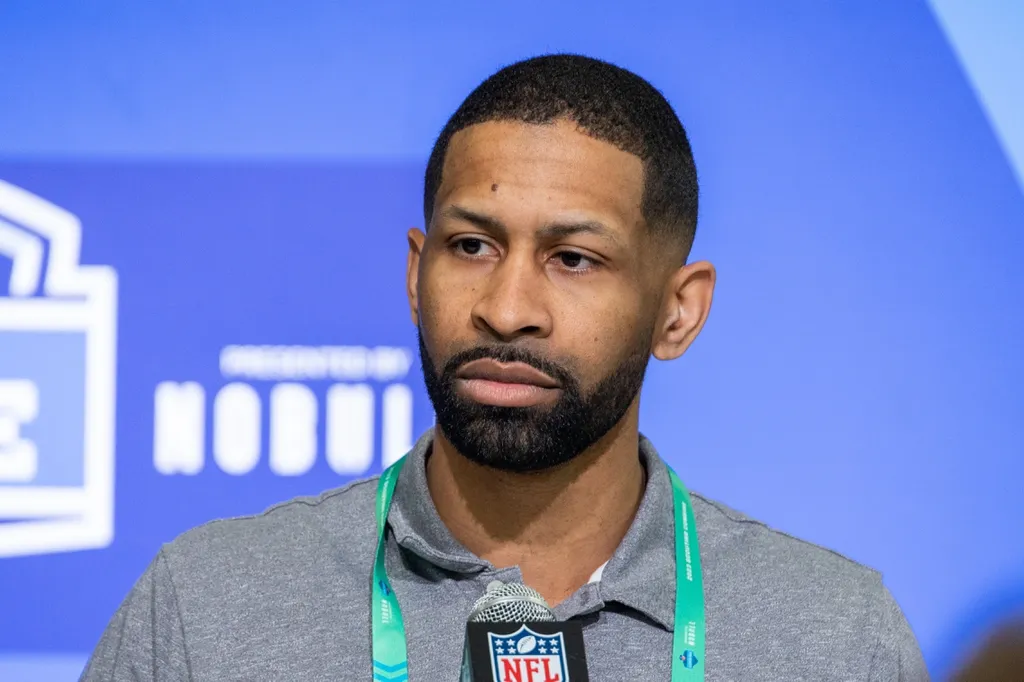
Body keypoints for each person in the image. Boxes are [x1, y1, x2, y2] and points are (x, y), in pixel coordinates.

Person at [81, 54, 928, 681]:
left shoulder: (838, 639)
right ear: (416, 275)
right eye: (473, 245)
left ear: (679, 311)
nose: (506, 305)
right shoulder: (206, 607)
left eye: (573, 259)